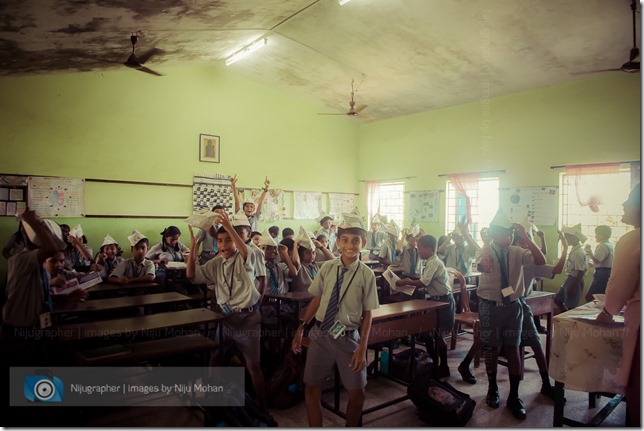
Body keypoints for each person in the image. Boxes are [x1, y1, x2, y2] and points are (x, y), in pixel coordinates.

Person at [291, 211, 379, 427]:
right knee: (311, 388)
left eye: (356, 240)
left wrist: (362, 349)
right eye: (345, 240)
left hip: (348, 338)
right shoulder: (327, 268)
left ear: (363, 242)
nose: (350, 245)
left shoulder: (367, 275)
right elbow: (317, 300)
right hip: (320, 335)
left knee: (357, 394)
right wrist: (301, 327)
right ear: (338, 241)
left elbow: (368, 313)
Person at [186, 212, 267, 409]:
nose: (222, 245)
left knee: (253, 366)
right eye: (219, 241)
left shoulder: (249, 254)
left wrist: (230, 227)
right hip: (226, 319)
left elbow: (246, 252)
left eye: (228, 240)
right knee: (216, 357)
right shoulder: (217, 262)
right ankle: (213, 399)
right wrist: (193, 251)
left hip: (247, 318)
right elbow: (192, 275)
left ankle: (263, 406)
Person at [475, 209, 545, 420]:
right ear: (495, 234)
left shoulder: (517, 251)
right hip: (489, 306)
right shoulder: (485, 249)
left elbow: (540, 261)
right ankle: (492, 388)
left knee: (514, 349)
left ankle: (514, 396)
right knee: (492, 348)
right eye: (506, 233)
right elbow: (481, 265)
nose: (510, 236)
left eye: (512, 233)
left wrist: (526, 237)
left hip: (513, 306)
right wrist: (484, 258)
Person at [596, 183, 640, 427]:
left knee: (636, 384)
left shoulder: (633, 238)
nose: (623, 205)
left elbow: (619, 285)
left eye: (629, 200)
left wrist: (608, 311)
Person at [396, 234, 455, 379]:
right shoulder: (429, 261)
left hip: (443, 301)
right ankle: (434, 363)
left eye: (420, 249)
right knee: (427, 333)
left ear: (428, 249)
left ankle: (443, 367)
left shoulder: (434, 262)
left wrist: (406, 282)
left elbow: (423, 282)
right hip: (434, 301)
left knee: (438, 336)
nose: (419, 251)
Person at [231, 211, 267, 301]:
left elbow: (262, 279)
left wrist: (258, 302)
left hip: (251, 299)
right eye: (233, 233)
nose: (236, 237)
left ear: (249, 233)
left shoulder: (256, 252)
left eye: (240, 233)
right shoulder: (233, 250)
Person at [554, 224, 588, 312]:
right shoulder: (574, 249)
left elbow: (581, 271)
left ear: (574, 238)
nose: (566, 240)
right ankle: (564, 314)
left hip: (574, 280)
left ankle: (569, 321)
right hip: (569, 279)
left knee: (571, 305)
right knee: (557, 299)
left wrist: (573, 286)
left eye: (567, 238)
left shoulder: (579, 253)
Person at [291, 227, 334, 293]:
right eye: (307, 253)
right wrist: (295, 246)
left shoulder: (315, 265)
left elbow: (333, 261)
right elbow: (296, 261)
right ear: (301, 255)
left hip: (317, 297)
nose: (311, 256)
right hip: (303, 300)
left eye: (313, 252)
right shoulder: (300, 267)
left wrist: (321, 247)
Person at [584, 225, 614, 303]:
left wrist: (589, 251)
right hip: (607, 272)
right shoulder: (610, 245)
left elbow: (597, 260)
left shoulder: (602, 246)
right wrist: (593, 265)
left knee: (590, 296)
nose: (595, 236)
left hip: (602, 274)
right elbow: (604, 261)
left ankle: (592, 314)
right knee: (601, 296)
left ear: (602, 235)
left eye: (597, 234)